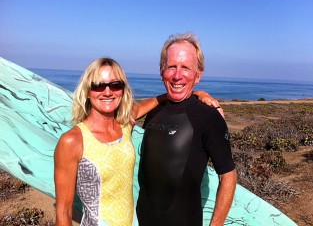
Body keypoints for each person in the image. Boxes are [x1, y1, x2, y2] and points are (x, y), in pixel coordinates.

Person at [54, 57, 221, 226]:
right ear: (88, 91)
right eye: (98, 85)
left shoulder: (124, 124)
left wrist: (196, 94)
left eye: (115, 85)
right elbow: (63, 211)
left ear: (122, 90)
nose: (107, 92)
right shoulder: (73, 141)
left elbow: (148, 104)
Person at [137, 33, 237, 226]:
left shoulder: (209, 118)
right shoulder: (153, 110)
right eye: (171, 67)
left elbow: (228, 175)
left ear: (198, 75)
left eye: (185, 68)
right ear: (161, 71)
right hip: (144, 220)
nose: (177, 75)